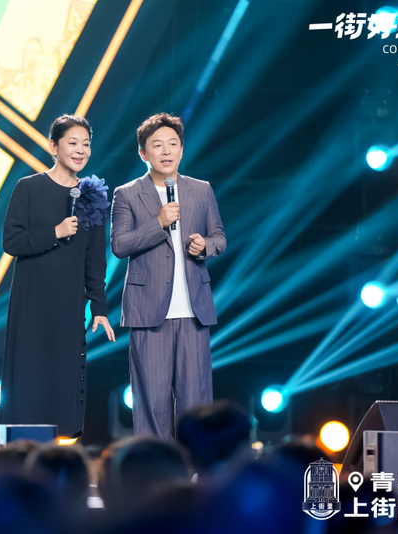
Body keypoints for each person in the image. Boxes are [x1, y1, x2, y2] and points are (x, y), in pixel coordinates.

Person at [0, 114, 115, 439]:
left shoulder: (91, 196)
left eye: (86, 144)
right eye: (72, 143)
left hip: (68, 302)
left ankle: (58, 451)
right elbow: (11, 242)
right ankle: (21, 447)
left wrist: (99, 307)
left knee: (62, 375)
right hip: (31, 298)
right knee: (28, 373)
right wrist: (55, 232)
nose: (80, 151)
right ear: (54, 146)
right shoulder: (28, 187)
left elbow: (95, 259)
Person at [111, 113, 226, 442]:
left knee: (196, 402)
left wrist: (205, 246)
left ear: (182, 149)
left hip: (194, 311)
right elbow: (120, 245)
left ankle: (196, 467)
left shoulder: (201, 190)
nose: (166, 151)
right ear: (143, 153)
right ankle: (154, 466)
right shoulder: (127, 194)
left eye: (173, 144)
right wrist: (158, 223)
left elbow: (219, 237)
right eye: (157, 145)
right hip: (148, 311)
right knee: (151, 401)